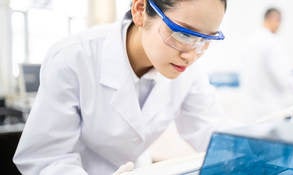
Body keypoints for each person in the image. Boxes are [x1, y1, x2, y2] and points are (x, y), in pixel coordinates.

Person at [13, 0, 231, 174]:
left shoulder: (188, 69)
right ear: (139, 10)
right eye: (183, 34)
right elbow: (46, 158)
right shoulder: (74, 57)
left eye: (205, 39)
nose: (191, 55)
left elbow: (211, 132)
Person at [241, 8, 293, 119]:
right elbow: (284, 77)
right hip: (271, 109)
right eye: (279, 21)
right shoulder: (270, 42)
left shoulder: (250, 41)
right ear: (273, 19)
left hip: (252, 109)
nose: (279, 26)